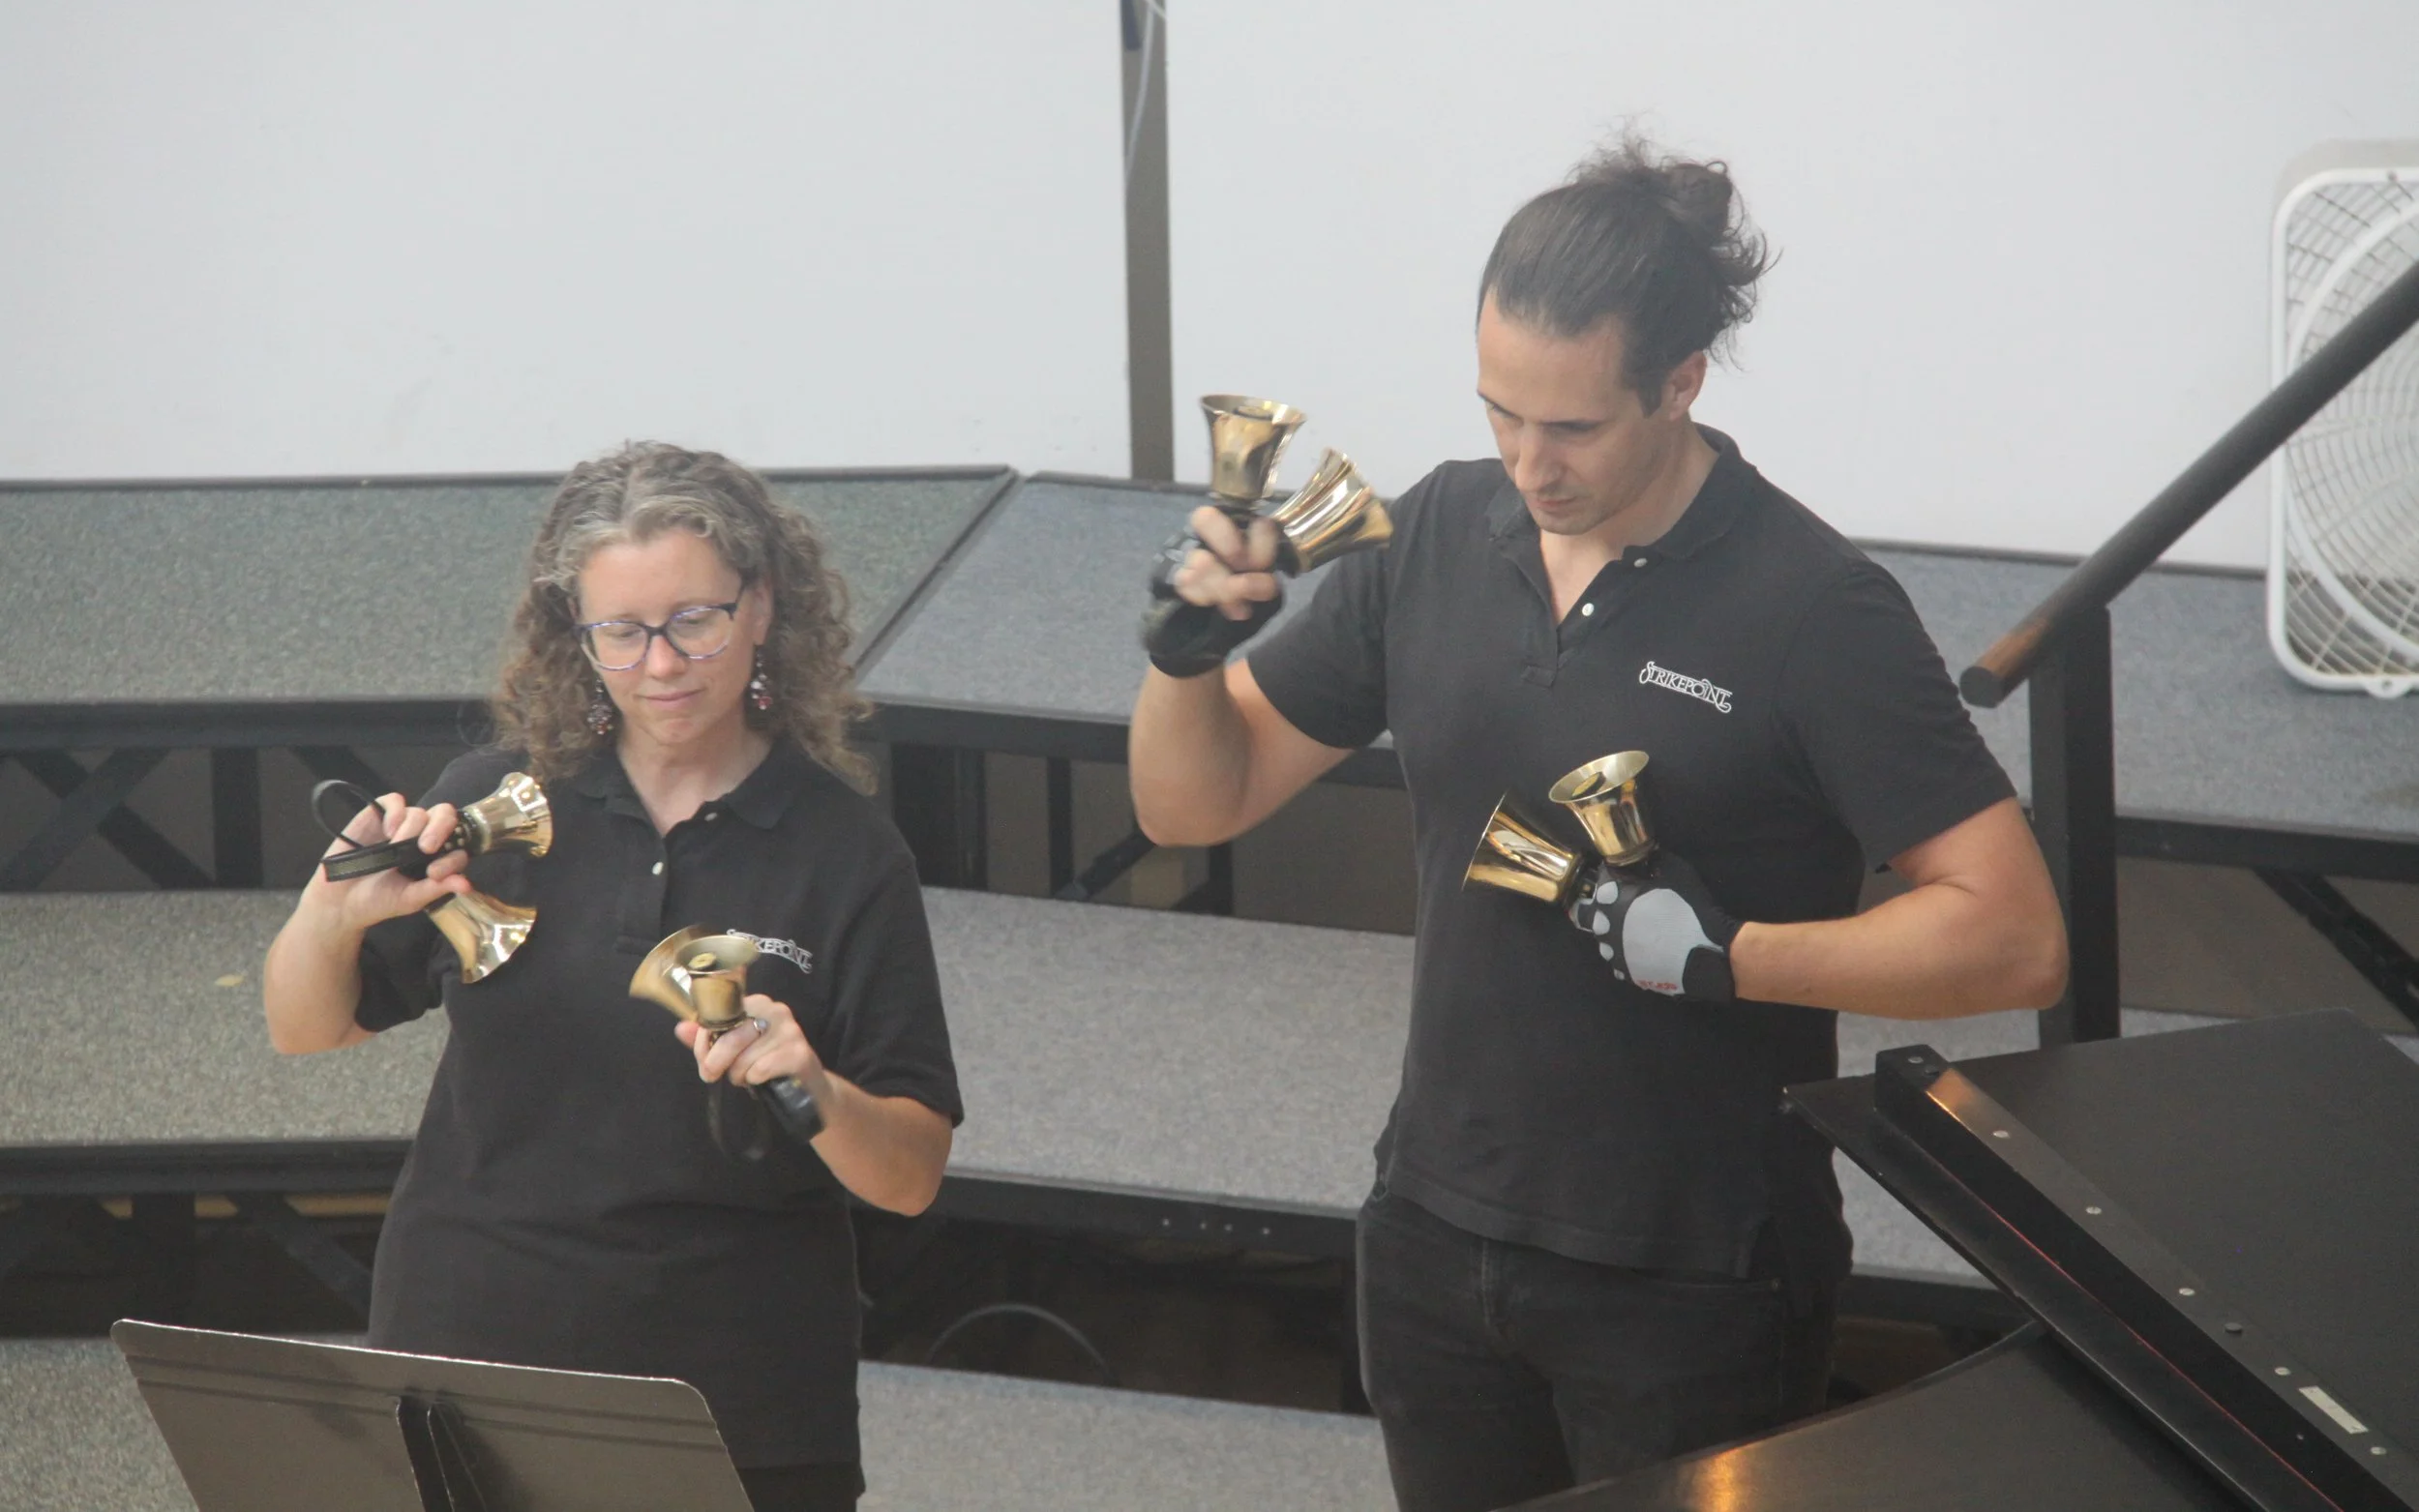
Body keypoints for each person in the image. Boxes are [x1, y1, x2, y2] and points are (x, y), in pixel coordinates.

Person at [1128, 136, 2068, 1512]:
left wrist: (1723, 953)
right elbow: (1192, 801)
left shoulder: (1817, 608)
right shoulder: (1440, 530)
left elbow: (2015, 934)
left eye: (1570, 427)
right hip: (1435, 1228)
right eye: (1501, 410)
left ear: (1681, 382)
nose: (1528, 459)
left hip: (1692, 1274)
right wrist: (1180, 659)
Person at [263, 442, 960, 1512]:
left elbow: (909, 1173)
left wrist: (813, 1089)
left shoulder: (846, 850)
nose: (663, 663)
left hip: (735, 1389)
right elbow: (307, 1027)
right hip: (468, 1355)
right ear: (573, 634)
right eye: (621, 632)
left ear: (763, 606)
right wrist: (331, 908)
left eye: (696, 619)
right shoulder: (492, 795)